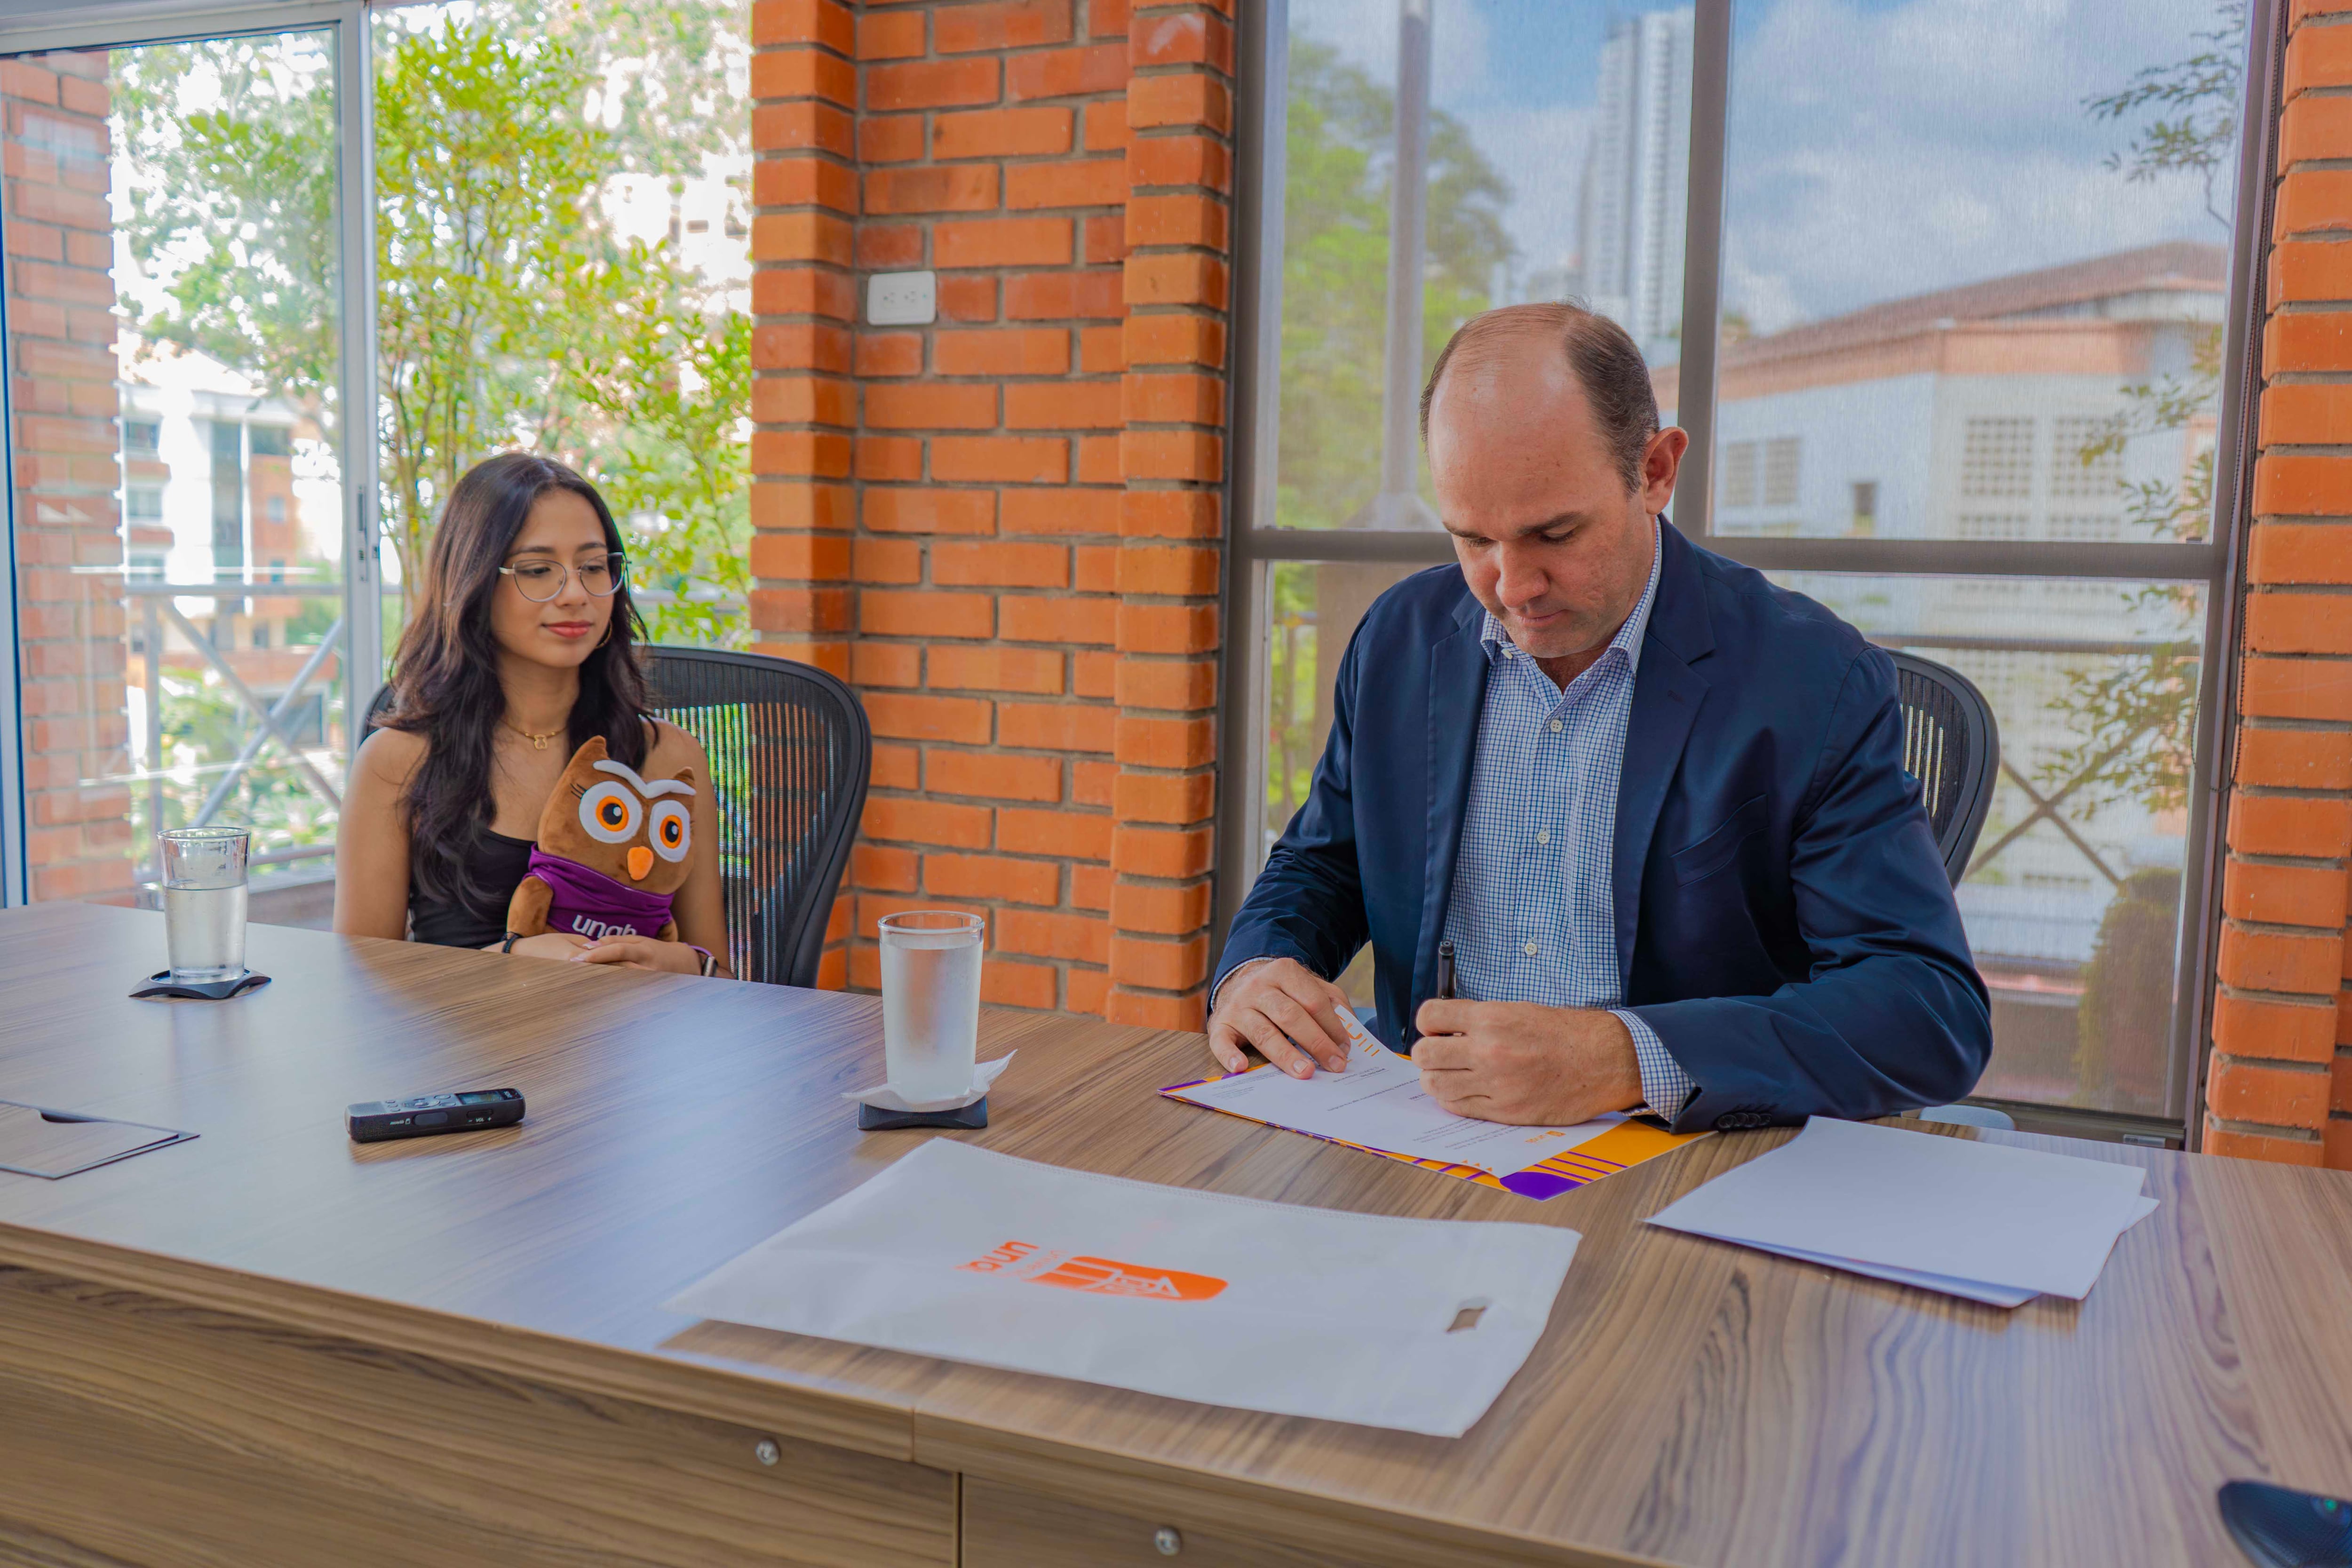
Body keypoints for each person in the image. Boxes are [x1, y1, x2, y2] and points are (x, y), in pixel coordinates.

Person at [1209, 302, 1989, 1133]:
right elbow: (1325, 864)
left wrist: (1625, 1058)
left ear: (1655, 469)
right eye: (1472, 538)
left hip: (1681, 1157)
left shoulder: (1811, 677)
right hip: (1424, 1131)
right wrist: (1259, 967)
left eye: (1554, 533)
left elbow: (1925, 1008)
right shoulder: (1401, 640)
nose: (1512, 586)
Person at [334, 452, 731, 977]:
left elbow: (724, 978)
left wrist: (680, 962)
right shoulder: (396, 762)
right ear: (472, 581)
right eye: (538, 570)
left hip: (626, 1048)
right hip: (459, 1051)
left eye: (594, 567)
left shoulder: (668, 756)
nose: (575, 595)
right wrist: (508, 960)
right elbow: (358, 984)